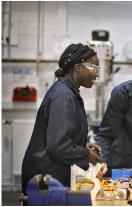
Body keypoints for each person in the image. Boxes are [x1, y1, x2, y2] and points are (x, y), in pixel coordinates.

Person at [21, 43, 102, 194]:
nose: (97, 75)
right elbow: (57, 144)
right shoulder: (63, 95)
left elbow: (61, 136)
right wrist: (85, 155)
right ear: (78, 67)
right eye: (94, 68)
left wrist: (82, 146)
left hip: (54, 172)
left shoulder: (69, 93)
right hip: (44, 178)